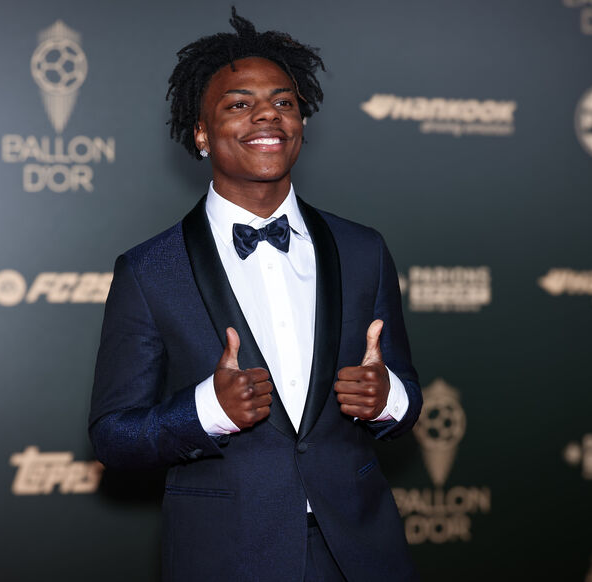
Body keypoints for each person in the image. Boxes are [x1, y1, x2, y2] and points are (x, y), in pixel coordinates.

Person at [89, 10, 422, 581]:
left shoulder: (362, 249)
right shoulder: (149, 271)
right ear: (201, 133)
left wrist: (387, 397)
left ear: (301, 124)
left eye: (283, 102)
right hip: (229, 556)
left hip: (361, 552)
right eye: (239, 104)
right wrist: (207, 410)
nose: (267, 114)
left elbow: (407, 399)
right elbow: (113, 437)